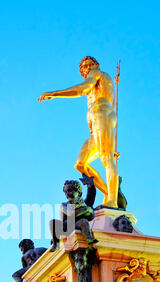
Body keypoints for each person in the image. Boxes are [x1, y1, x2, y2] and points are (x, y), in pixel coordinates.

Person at [39, 56, 119, 208]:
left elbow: (82, 89)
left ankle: (113, 201)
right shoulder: (100, 80)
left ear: (95, 64)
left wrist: (55, 94)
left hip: (102, 116)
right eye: (83, 68)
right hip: (96, 123)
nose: (85, 69)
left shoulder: (97, 74)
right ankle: (108, 193)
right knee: (81, 164)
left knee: (106, 158)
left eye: (87, 65)